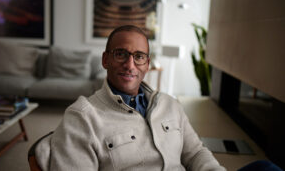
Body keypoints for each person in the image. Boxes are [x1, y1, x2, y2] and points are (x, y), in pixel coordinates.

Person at [35, 25, 225, 171]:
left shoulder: (171, 105)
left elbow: (195, 153)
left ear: (147, 64)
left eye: (139, 56)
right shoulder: (82, 118)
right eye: (120, 54)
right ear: (105, 60)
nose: (130, 65)